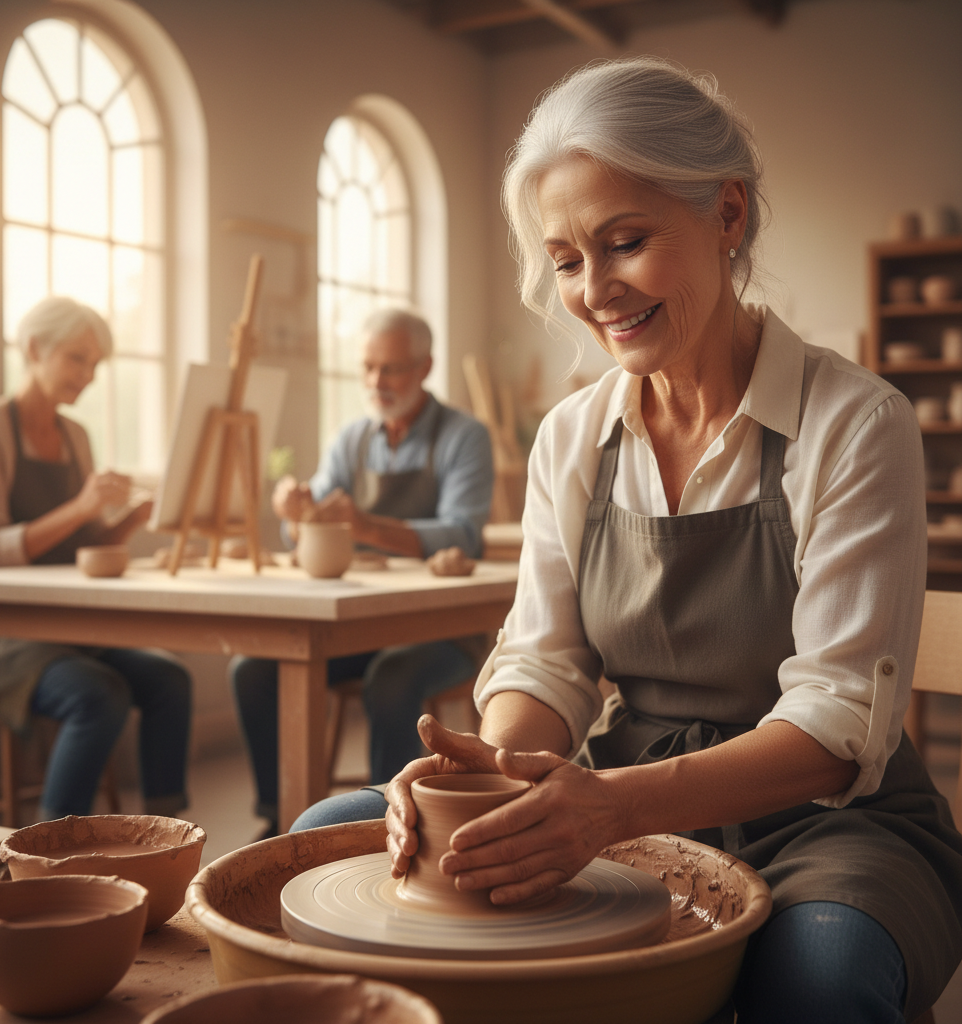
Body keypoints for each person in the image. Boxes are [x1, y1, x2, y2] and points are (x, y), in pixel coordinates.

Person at [291, 58, 962, 1023]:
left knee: (815, 979)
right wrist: (495, 776)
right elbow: (545, 663)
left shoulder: (855, 423)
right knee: (330, 834)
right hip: (613, 790)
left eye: (625, 242)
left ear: (727, 215)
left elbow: (837, 724)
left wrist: (612, 810)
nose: (595, 289)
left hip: (825, 824)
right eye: (566, 260)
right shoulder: (574, 436)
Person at [230, 308, 493, 836]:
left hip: (442, 629)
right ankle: (274, 814)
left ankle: (384, 822)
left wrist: (365, 524)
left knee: (392, 679)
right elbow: (308, 533)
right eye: (368, 368)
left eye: (392, 369)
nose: (377, 382)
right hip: (361, 622)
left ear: (424, 367)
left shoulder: (464, 436)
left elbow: (463, 533)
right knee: (253, 669)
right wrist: (297, 512)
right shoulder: (352, 439)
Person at [0, 296, 191, 821]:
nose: (90, 375)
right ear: (33, 349)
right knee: (98, 695)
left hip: (53, 625)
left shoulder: (75, 437)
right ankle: (52, 854)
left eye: (95, 363)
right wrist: (81, 506)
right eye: (78, 358)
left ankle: (169, 835)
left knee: (170, 680)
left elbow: (83, 545)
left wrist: (134, 517)